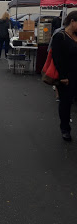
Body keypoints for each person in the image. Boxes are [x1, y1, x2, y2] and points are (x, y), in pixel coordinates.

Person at [51, 11, 77, 141]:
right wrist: (62, 76)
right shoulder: (60, 36)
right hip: (66, 76)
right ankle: (65, 129)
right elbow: (57, 58)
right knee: (66, 103)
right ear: (72, 22)